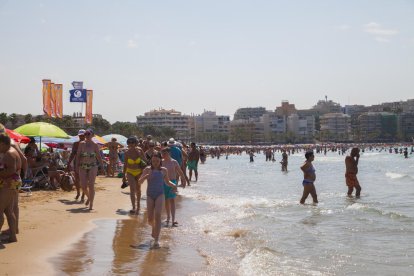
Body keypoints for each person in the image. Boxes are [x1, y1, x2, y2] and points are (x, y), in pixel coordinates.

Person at [138, 151, 177, 249]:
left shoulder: (164, 170)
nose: (155, 163)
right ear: (151, 161)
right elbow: (139, 182)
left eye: (157, 161)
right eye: (153, 161)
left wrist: (173, 185)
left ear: (160, 161)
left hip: (160, 194)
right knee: (150, 219)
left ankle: (156, 240)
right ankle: (153, 228)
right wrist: (146, 176)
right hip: (150, 195)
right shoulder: (147, 169)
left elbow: (167, 182)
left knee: (158, 215)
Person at [75, 129, 104, 211]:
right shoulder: (81, 144)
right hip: (82, 166)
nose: (86, 135)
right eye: (85, 134)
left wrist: (102, 167)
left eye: (88, 134)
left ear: (92, 135)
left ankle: (91, 204)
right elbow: (78, 156)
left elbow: (98, 157)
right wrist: (76, 166)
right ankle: (89, 197)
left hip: (93, 166)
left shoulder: (95, 145)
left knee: (91, 185)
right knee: (83, 186)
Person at [0, 134, 21, 243]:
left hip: (9, 183)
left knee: (1, 210)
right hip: (15, 183)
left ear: (3, 144)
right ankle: (13, 236)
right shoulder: (13, 151)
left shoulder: (9, 154)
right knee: (9, 210)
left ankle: (13, 235)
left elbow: (10, 171)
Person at [161, 147, 186, 227]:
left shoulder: (174, 162)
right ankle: (168, 217)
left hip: (173, 183)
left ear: (169, 153)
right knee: (166, 200)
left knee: (172, 200)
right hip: (164, 183)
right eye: (162, 153)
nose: (163, 155)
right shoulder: (161, 162)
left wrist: (183, 179)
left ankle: (173, 219)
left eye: (165, 153)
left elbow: (180, 171)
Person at [122, 137, 146, 215]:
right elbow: (125, 165)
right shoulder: (126, 152)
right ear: (128, 144)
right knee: (132, 189)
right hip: (130, 172)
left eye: (133, 143)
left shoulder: (140, 150)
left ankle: (138, 204)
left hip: (139, 172)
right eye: (130, 143)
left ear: (136, 143)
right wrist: (123, 177)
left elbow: (145, 160)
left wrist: (139, 154)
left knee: (138, 189)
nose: (131, 144)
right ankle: (133, 207)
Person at [67, 129, 86, 201]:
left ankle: (83, 195)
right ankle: (78, 193)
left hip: (86, 163)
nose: (81, 137)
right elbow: (72, 154)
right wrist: (68, 163)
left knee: (84, 180)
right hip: (77, 163)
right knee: (77, 179)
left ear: (85, 135)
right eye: (80, 135)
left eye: (83, 135)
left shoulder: (88, 143)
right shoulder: (75, 144)